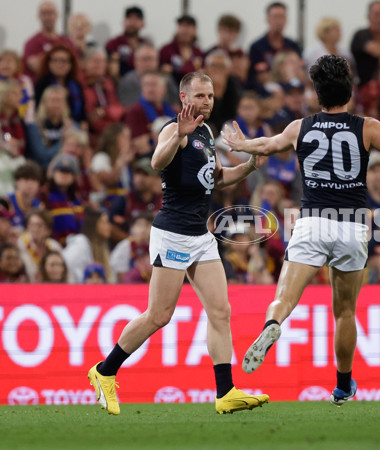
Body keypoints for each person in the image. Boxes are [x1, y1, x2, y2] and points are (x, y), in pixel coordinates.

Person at [221, 54, 380, 405]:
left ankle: (272, 325)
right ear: (350, 92)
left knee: (284, 297)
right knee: (344, 312)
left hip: (310, 222)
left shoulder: (300, 127)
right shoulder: (366, 126)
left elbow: (266, 145)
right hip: (353, 226)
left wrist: (240, 145)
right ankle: (343, 386)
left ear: (316, 93)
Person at [87, 71, 270, 415]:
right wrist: (177, 137)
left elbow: (214, 178)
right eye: (200, 96)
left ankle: (225, 391)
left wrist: (249, 165)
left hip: (200, 236)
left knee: (220, 311)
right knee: (159, 315)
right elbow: (157, 162)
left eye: (211, 96)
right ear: (184, 98)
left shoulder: (206, 132)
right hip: (172, 233)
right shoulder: (176, 129)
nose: (206, 102)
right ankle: (104, 371)